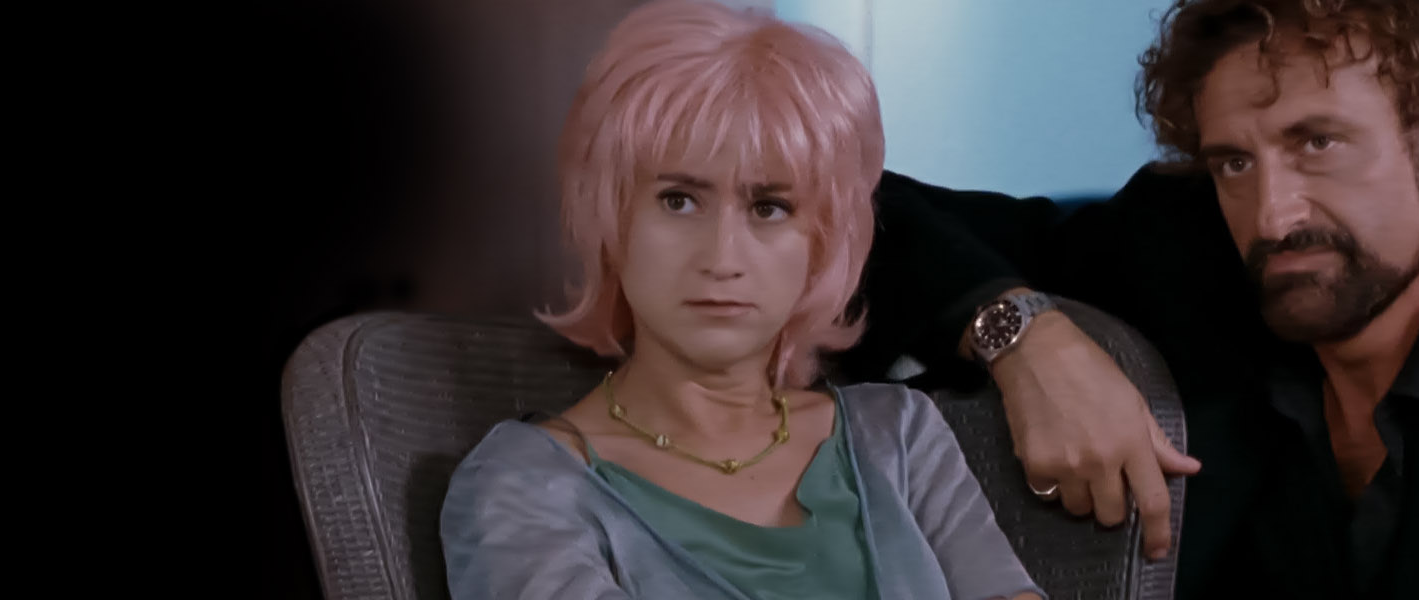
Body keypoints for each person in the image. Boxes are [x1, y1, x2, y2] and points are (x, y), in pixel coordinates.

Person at [843, 0, 1419, 598]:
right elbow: (856, 213)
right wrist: (1023, 335)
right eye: (1234, 162)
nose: (1272, 215)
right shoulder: (1190, 247)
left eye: (1318, 143)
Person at [439, 2, 1044, 598]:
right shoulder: (525, 483)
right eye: (678, 200)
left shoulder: (901, 436)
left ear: (822, 242)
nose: (722, 257)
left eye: (768, 208)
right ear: (612, 219)